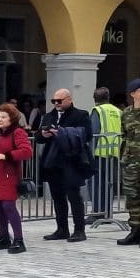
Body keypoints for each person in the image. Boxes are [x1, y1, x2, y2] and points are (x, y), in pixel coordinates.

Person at [37, 88, 93, 242]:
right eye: (53, 101)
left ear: (69, 99)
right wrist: (43, 134)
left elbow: (87, 135)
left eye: (59, 101)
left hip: (71, 160)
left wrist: (62, 132)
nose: (56, 104)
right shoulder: (49, 116)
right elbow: (38, 138)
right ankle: (62, 229)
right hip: (53, 161)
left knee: (74, 196)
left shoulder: (80, 115)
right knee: (57, 197)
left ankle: (79, 230)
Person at [0, 104, 33, 254]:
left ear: (12, 119)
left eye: (4, 117)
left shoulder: (18, 133)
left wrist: (7, 155)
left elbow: (27, 151)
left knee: (9, 206)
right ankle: (4, 237)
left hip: (9, 175)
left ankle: (18, 239)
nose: (0, 120)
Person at [89, 87, 121, 221]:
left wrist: (88, 153)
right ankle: (107, 212)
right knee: (109, 183)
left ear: (95, 99)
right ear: (108, 97)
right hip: (113, 152)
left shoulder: (98, 111)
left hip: (99, 153)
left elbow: (94, 132)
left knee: (95, 183)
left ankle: (97, 213)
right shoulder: (118, 111)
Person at [117, 78, 140, 246]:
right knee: (132, 197)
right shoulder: (126, 113)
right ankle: (135, 230)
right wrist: (123, 156)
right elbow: (124, 136)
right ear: (133, 94)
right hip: (132, 162)